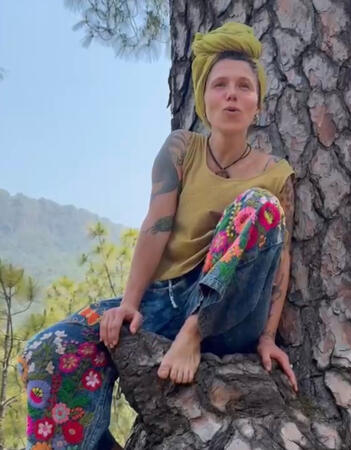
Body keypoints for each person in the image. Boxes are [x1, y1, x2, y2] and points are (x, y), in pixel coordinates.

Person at [18, 22, 298, 450]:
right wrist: (130, 303)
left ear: (257, 103)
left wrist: (266, 337)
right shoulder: (180, 149)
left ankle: (192, 335)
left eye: (244, 86)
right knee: (48, 350)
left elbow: (280, 260)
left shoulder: (276, 173)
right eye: (220, 85)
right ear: (204, 99)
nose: (231, 94)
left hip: (229, 314)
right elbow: (156, 225)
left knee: (258, 205)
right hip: (162, 300)